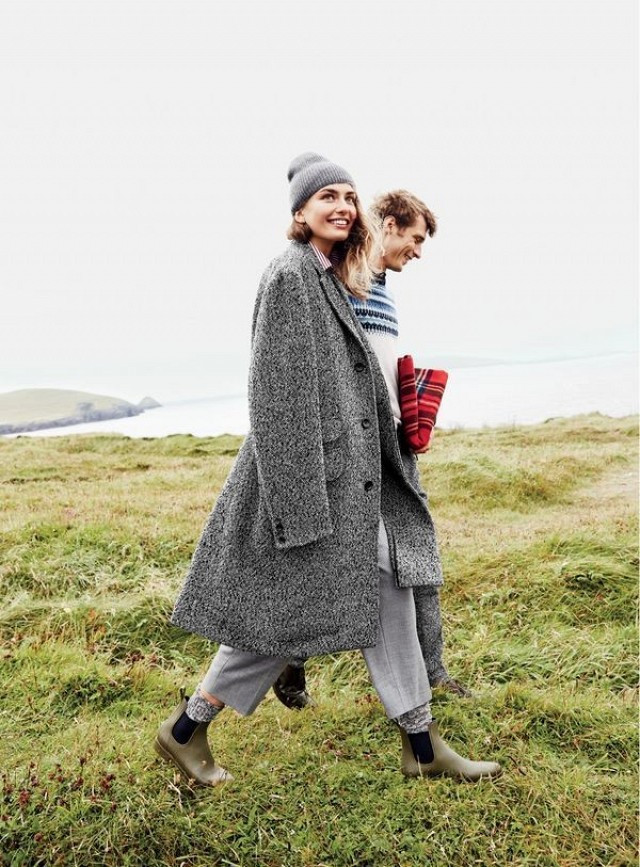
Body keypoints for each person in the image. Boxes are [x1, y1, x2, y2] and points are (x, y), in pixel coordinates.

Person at [155, 153, 501, 786]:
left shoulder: (327, 275)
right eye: (327, 197)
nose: (342, 206)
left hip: (349, 475)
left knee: (380, 588)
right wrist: (298, 504)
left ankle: (421, 744)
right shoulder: (290, 275)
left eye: (348, 195)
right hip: (312, 482)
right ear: (300, 211)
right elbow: (276, 397)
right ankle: (186, 726)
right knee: (288, 615)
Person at [273, 189, 471, 711]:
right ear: (387, 224)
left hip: (393, 443)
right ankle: (290, 658)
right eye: (415, 238)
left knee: (414, 551)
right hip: (354, 450)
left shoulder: (382, 288)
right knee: (333, 562)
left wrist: (408, 406)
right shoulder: (339, 277)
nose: (419, 251)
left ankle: (433, 673)